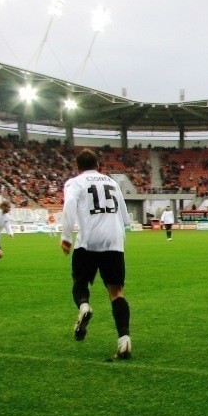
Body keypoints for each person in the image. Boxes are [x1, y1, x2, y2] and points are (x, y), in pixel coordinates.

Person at [61, 149, 132, 360]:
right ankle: (124, 339)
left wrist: (65, 236)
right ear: (98, 165)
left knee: (80, 282)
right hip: (114, 241)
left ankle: (84, 306)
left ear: (78, 167)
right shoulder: (112, 183)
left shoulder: (75, 183)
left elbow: (69, 206)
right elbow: (125, 219)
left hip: (88, 241)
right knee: (117, 292)